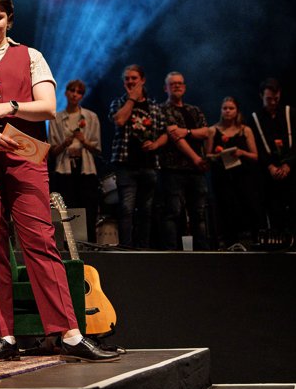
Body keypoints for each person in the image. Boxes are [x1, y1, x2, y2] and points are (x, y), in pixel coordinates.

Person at [0, 0, 118, 363]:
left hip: (24, 153)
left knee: (40, 238)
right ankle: (3, 336)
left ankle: (69, 333)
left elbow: (49, 107)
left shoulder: (31, 56)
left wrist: (10, 106)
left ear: (9, 20)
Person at [108, 65, 167, 248]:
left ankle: (143, 249)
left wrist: (155, 144)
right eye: (127, 79)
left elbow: (165, 133)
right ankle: (126, 248)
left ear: (142, 80)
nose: (130, 81)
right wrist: (132, 99)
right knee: (126, 209)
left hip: (149, 165)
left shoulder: (154, 106)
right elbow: (119, 120)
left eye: (134, 78)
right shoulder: (119, 103)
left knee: (146, 210)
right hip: (126, 164)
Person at [158, 72, 210, 250]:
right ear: (165, 88)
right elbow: (175, 137)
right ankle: (172, 253)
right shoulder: (162, 110)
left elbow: (206, 132)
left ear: (185, 87)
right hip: (173, 169)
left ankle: (202, 252)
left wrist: (186, 131)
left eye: (180, 83)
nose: (177, 86)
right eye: (173, 84)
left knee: (199, 213)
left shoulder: (194, 110)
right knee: (173, 212)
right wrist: (196, 158)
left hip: (196, 171)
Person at [248, 78, 296, 235]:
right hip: (269, 171)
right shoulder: (255, 118)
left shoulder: (290, 113)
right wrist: (270, 166)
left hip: (291, 168)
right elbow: (257, 146)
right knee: (274, 208)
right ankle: (279, 240)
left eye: (276, 98)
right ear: (261, 96)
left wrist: (288, 164)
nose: (273, 102)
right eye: (269, 99)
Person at [47, 79, 102, 242]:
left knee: (88, 208)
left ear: (82, 96)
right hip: (64, 169)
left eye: (79, 92)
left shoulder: (91, 117)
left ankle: (90, 244)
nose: (75, 95)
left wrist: (83, 141)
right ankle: (68, 244)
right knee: (67, 208)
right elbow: (52, 151)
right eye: (72, 91)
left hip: (86, 169)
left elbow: (98, 149)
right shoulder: (56, 118)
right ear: (66, 92)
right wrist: (65, 143)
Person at [205, 96, 260, 247]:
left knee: (249, 206)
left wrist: (242, 152)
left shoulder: (245, 130)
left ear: (237, 111)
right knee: (226, 209)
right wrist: (218, 156)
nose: (228, 111)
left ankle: (254, 240)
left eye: (231, 108)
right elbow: (207, 155)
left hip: (243, 175)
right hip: (222, 176)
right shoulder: (212, 130)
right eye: (225, 108)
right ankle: (230, 242)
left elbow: (255, 156)